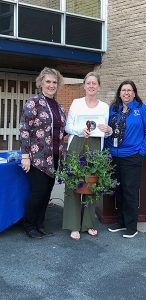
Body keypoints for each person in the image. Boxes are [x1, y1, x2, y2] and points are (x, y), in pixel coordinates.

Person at [63, 72, 112, 240]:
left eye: (94, 83)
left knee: (92, 183)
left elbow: (105, 131)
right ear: (84, 85)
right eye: (88, 83)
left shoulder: (104, 107)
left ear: (98, 86)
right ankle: (73, 225)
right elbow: (68, 127)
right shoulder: (76, 103)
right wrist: (80, 130)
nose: (91, 86)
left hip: (95, 145)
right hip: (77, 142)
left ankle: (88, 223)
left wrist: (109, 130)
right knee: (74, 181)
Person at [19, 67, 66, 239]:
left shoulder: (58, 106)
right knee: (38, 192)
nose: (51, 85)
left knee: (47, 193)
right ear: (41, 83)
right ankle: (29, 225)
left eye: (54, 82)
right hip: (37, 157)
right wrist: (25, 155)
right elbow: (24, 129)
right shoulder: (34, 102)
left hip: (54, 156)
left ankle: (40, 223)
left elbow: (62, 130)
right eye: (48, 81)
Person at [106, 80, 146, 238]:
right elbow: (106, 129)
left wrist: (141, 151)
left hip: (132, 157)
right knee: (118, 190)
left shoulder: (141, 109)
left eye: (129, 90)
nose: (126, 93)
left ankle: (131, 226)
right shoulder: (113, 109)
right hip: (114, 156)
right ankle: (121, 222)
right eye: (123, 90)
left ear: (134, 93)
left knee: (130, 192)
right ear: (119, 93)